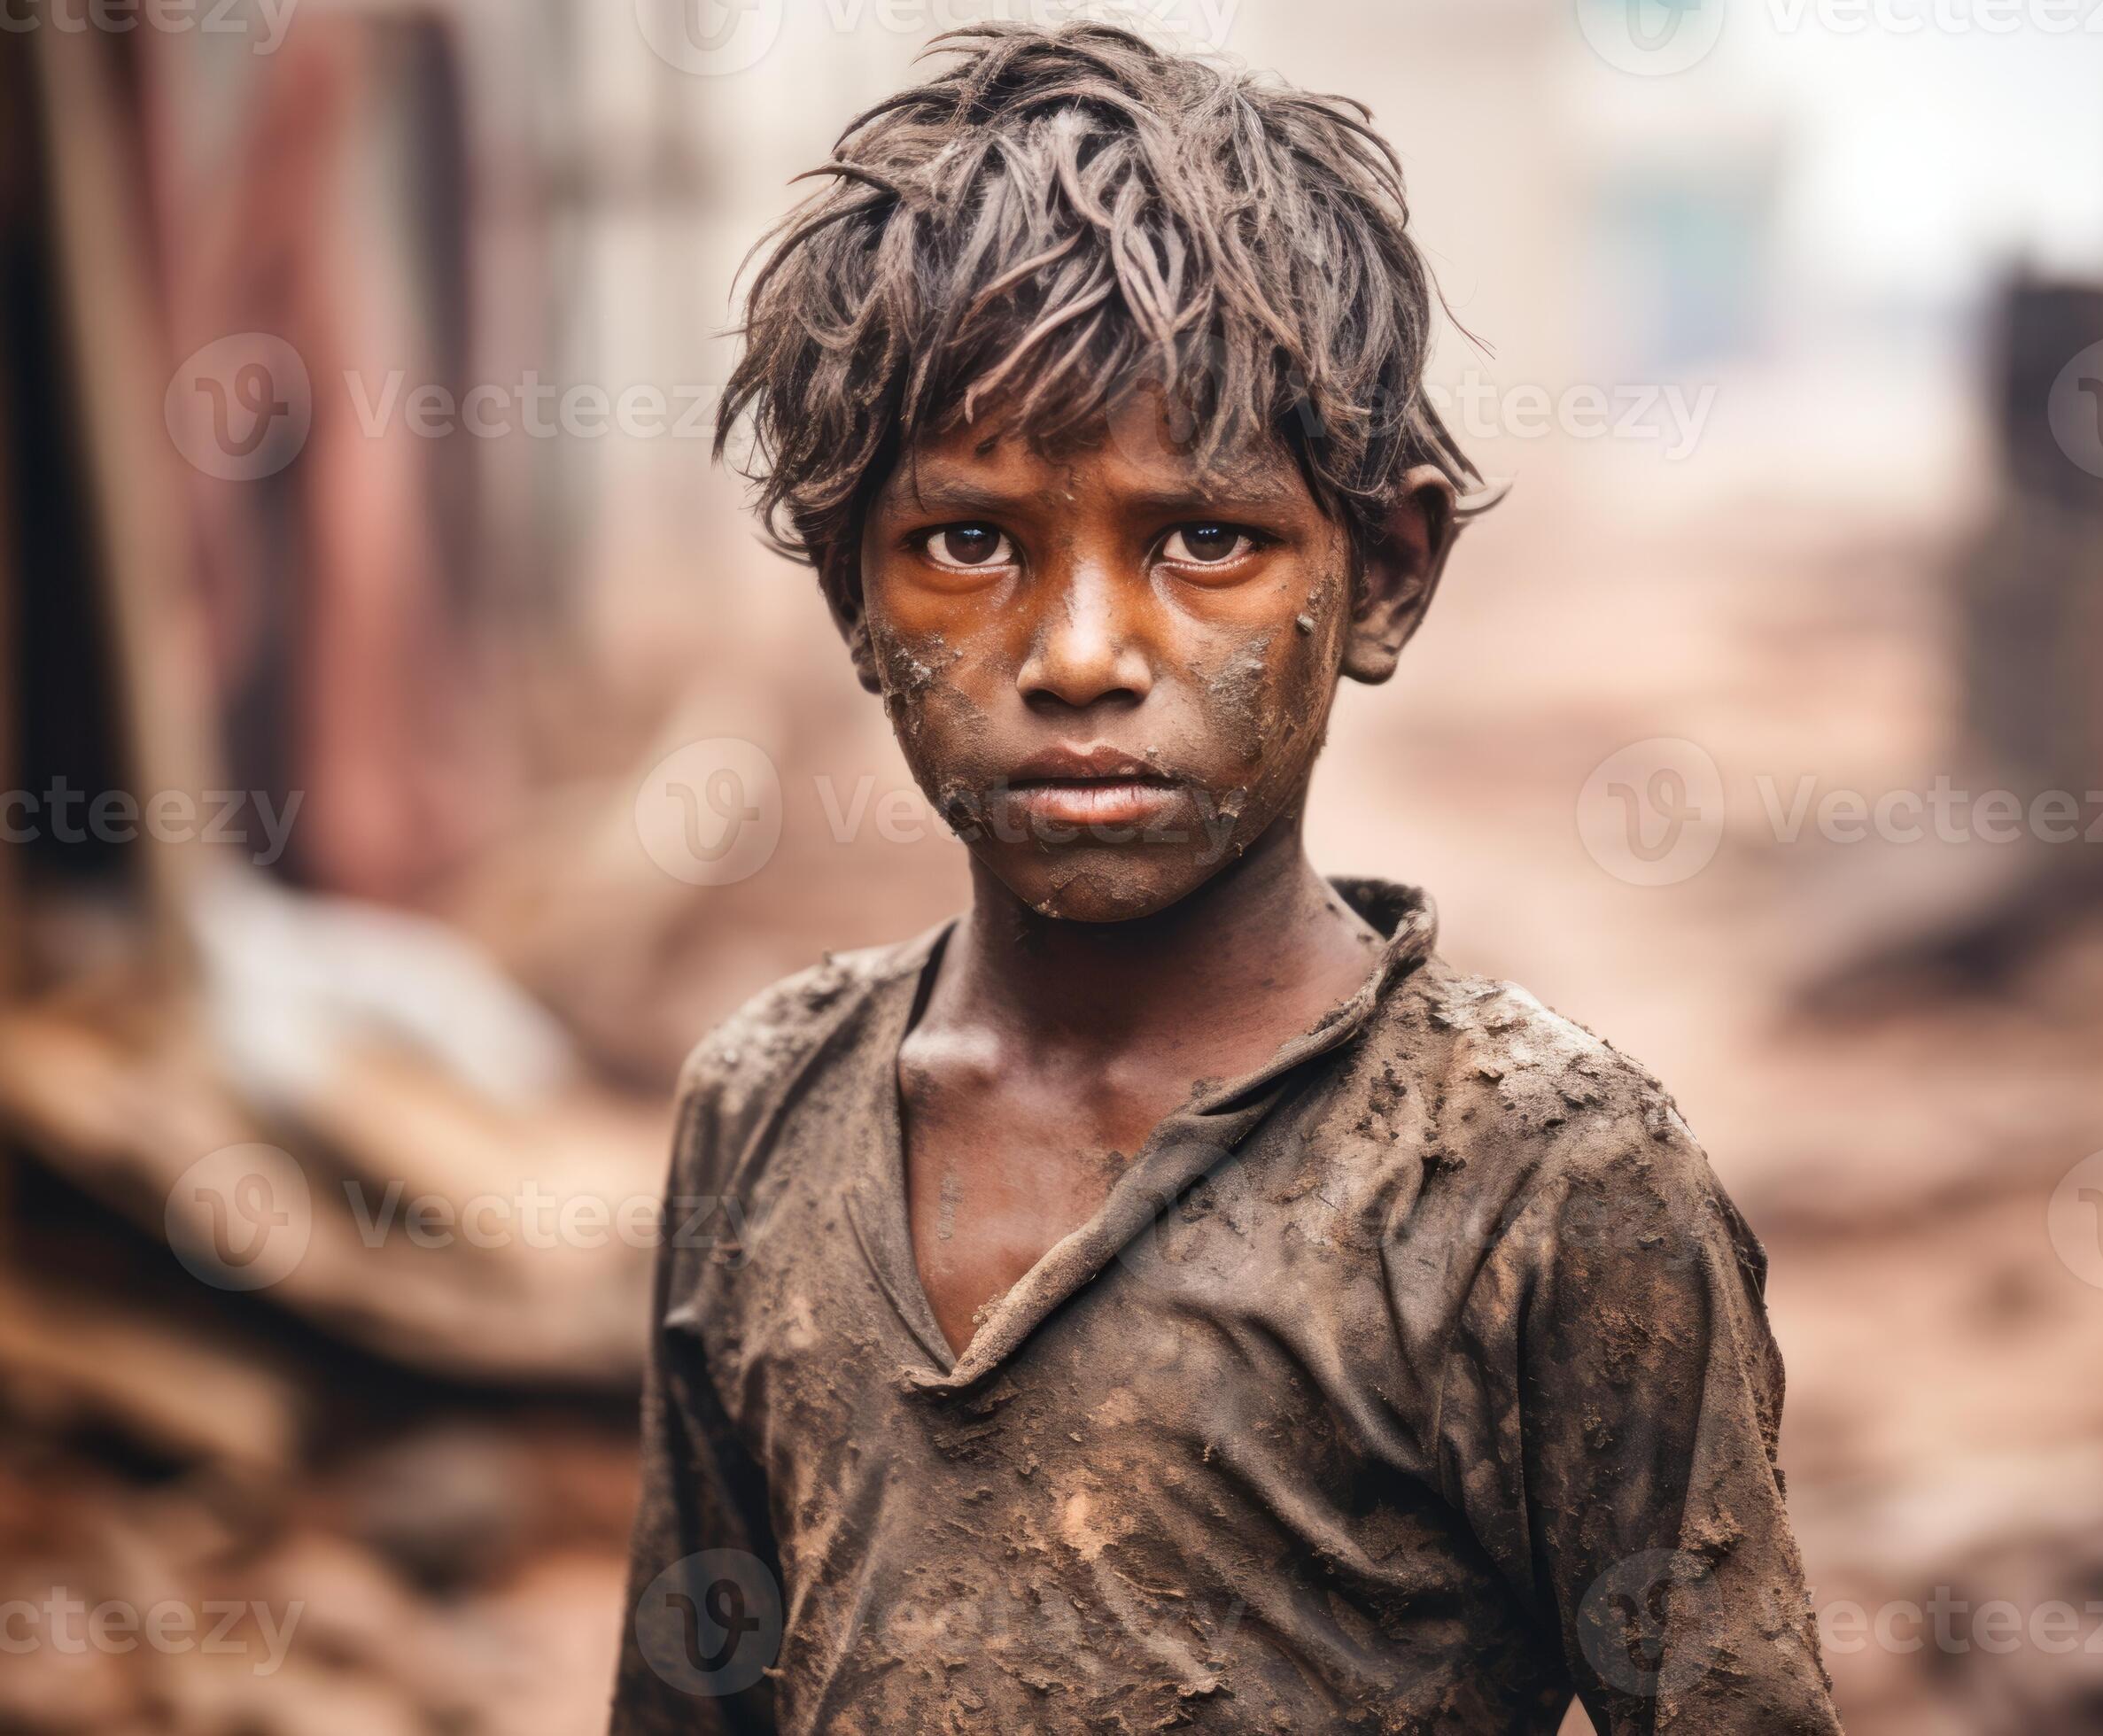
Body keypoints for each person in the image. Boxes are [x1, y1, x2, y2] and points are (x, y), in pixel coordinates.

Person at [612, 23, 1841, 1733]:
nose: (1080, 655)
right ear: (851, 596)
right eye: (965, 542)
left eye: (1206, 540)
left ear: (1385, 575)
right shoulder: (765, 1112)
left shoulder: (1537, 1186)